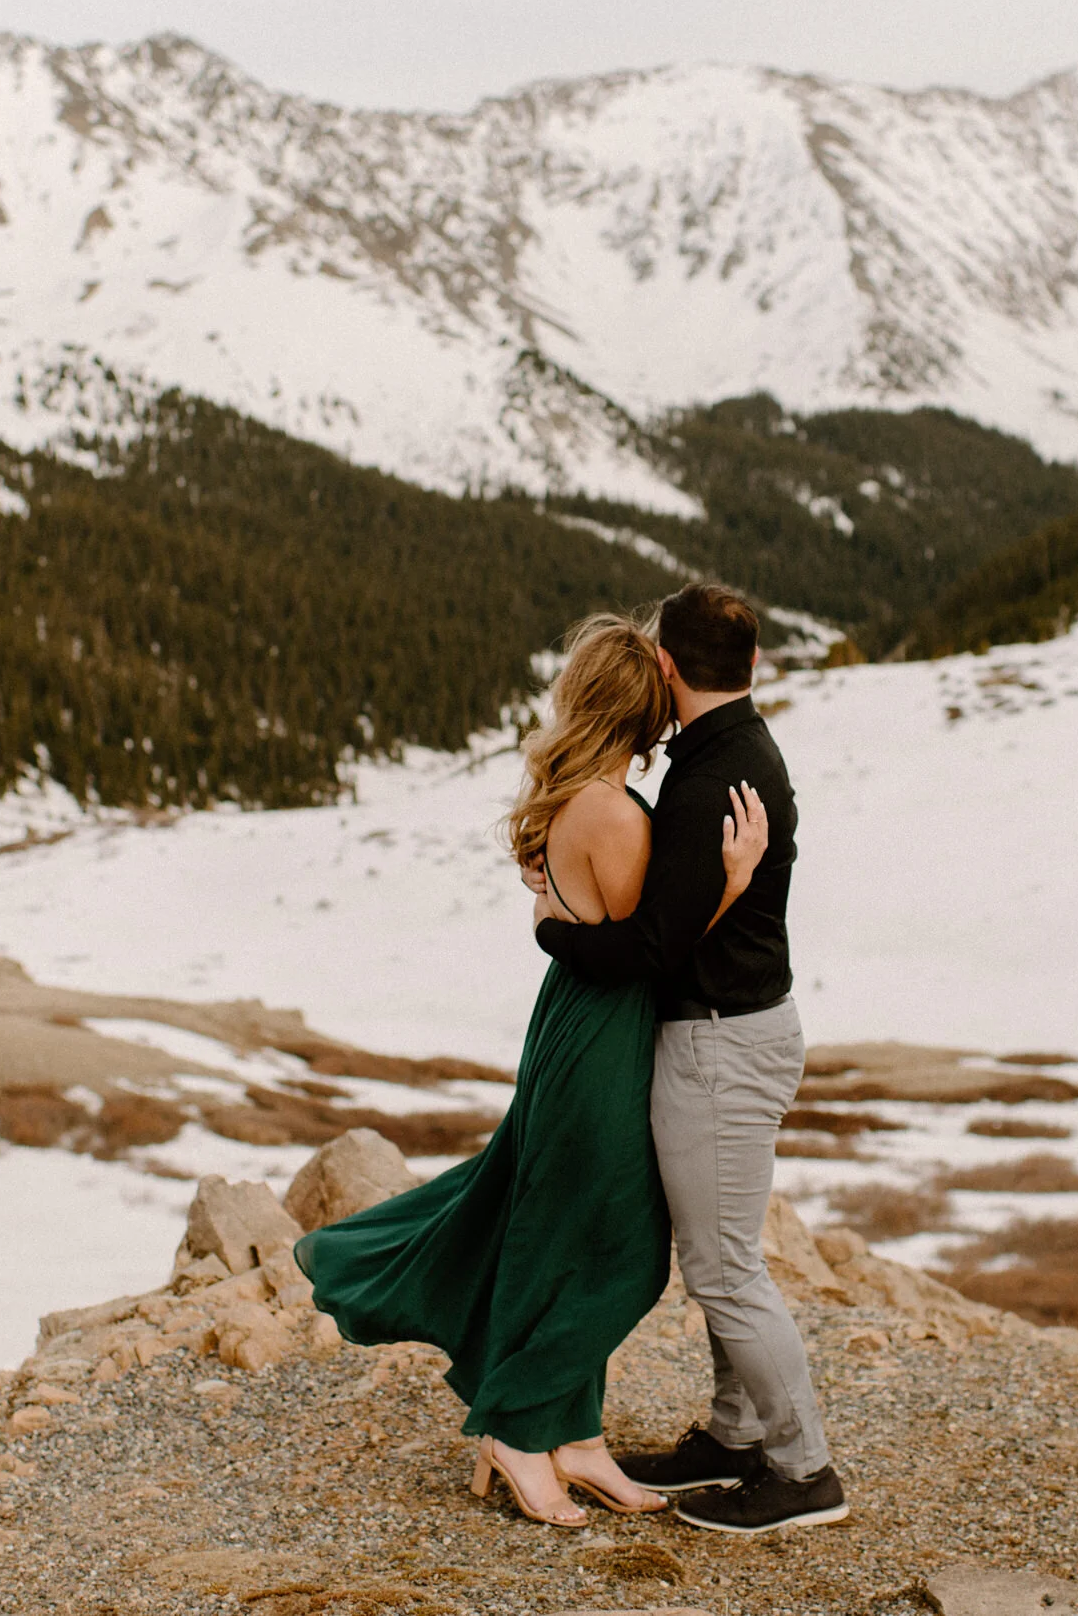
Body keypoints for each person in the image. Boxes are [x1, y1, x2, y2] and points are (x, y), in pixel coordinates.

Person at [294, 614, 769, 1529]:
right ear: (642, 714)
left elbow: (597, 935)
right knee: (625, 1257)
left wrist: (561, 921)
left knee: (566, 1230)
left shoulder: (580, 797)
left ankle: (577, 1438)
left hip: (580, 1024)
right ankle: (515, 1429)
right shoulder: (612, 812)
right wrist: (731, 887)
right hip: (603, 1037)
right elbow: (648, 954)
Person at [532, 581, 847, 1536]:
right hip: (735, 1032)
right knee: (726, 1256)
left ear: (666, 668)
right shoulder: (731, 751)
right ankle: (733, 1438)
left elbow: (650, 950)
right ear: (750, 667)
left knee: (721, 1268)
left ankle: (803, 1470)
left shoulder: (711, 779)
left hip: (720, 1042)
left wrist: (556, 932)